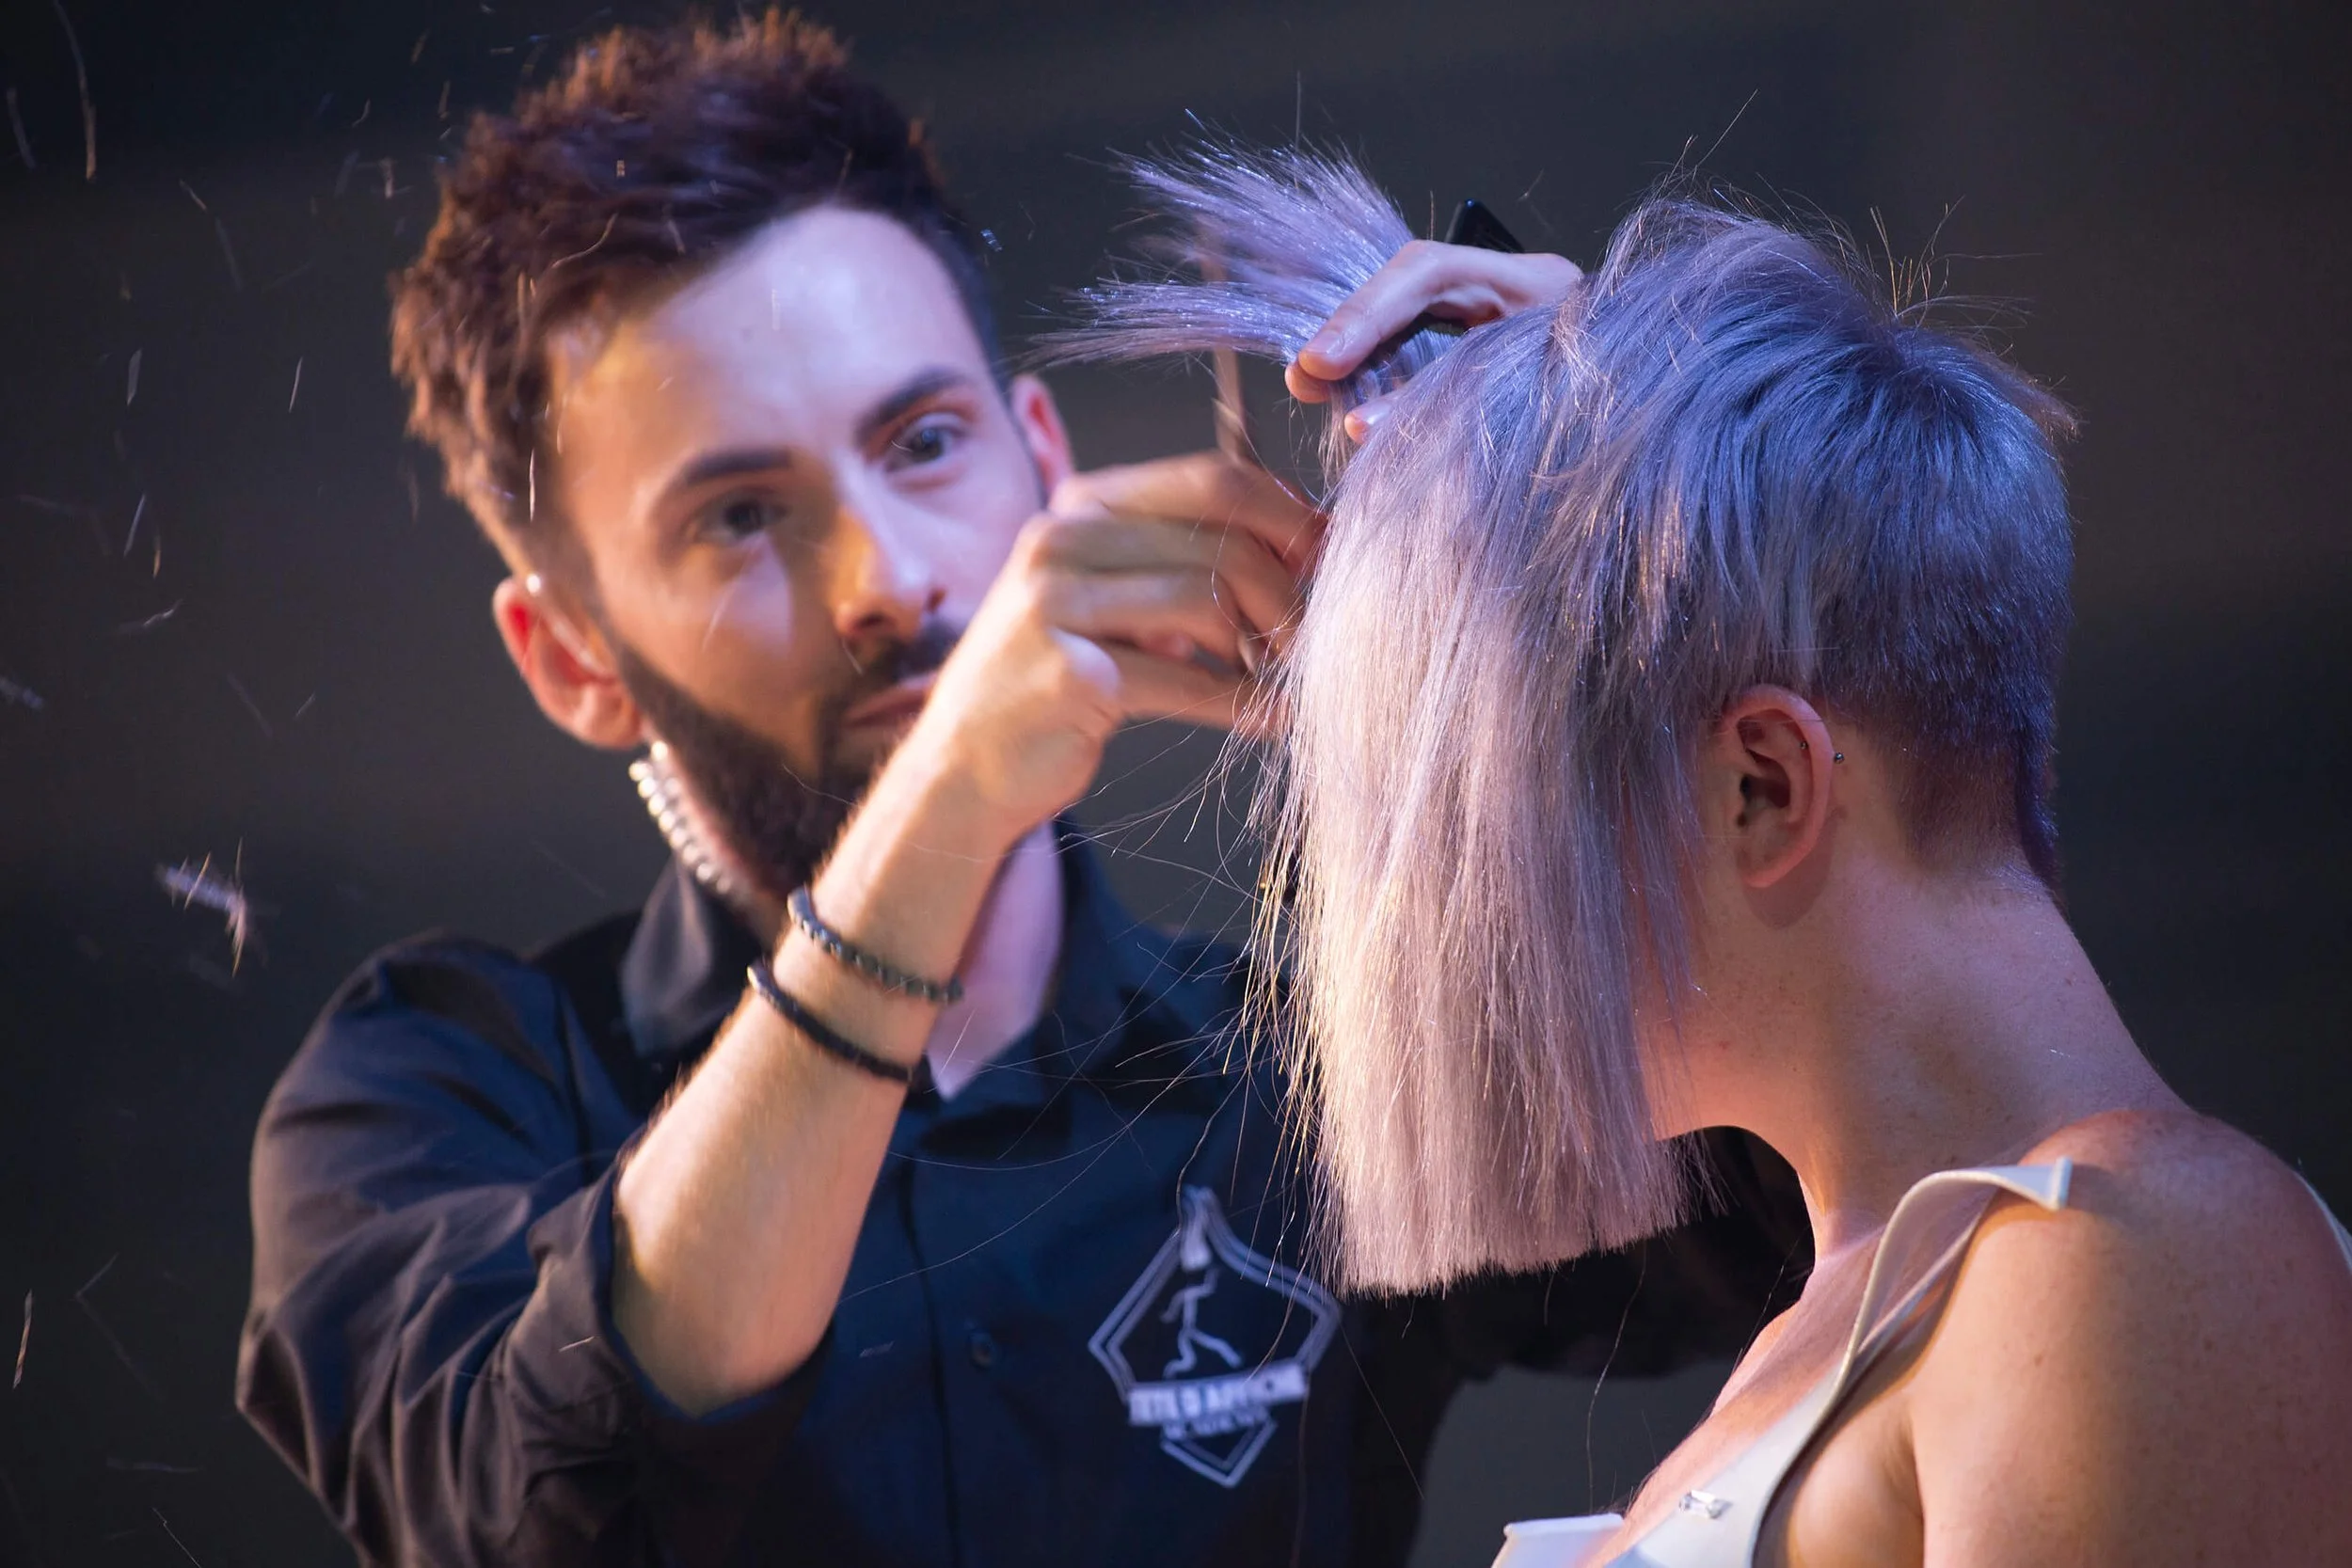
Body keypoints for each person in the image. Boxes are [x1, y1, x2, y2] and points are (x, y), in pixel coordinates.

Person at [231, 19, 1810, 1568]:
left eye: (923, 441)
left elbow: (1810, 1199)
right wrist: (945, 803)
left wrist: (1647, 520)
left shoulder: (1319, 1059)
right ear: (571, 655)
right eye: (736, 517)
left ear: (1038, 456)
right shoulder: (435, 1089)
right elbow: (541, 1507)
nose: (890, 577)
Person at [1073, 147, 2352, 1565]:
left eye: (1484, 820)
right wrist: (1561, 466)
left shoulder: (2127, 1264)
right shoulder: (1870, 1321)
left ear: (1762, 786)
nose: (1445, 919)